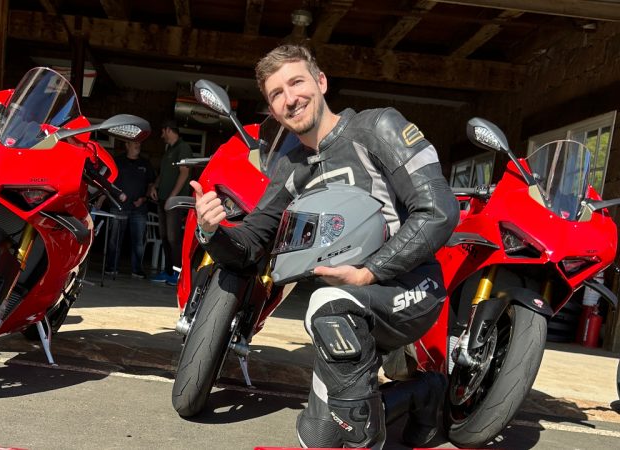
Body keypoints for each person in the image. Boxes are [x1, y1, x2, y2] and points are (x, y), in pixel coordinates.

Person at [190, 45, 459, 449]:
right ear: (272, 109)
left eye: (296, 82)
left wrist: (368, 273)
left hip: (412, 289)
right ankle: (424, 392)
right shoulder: (290, 166)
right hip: (345, 307)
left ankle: (365, 442)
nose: (290, 98)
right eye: (276, 94)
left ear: (321, 82)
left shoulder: (377, 128)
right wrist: (212, 231)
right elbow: (251, 247)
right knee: (316, 437)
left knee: (328, 305)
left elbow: (439, 210)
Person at [149, 119, 192, 286]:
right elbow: (163, 173)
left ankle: (177, 273)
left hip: (174, 202)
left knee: (174, 238)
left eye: (162, 131)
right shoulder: (169, 149)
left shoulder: (183, 147)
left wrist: (172, 197)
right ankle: (168, 272)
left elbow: (184, 173)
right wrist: (155, 186)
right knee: (165, 237)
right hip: (163, 200)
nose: (161, 135)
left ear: (168, 130)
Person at [104, 139, 156, 279]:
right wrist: (103, 199)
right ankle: (111, 267)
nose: (138, 145)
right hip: (118, 207)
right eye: (134, 143)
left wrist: (144, 198)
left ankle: (137, 270)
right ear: (127, 145)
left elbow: (151, 184)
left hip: (139, 208)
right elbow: (108, 182)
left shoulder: (145, 163)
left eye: (139, 143)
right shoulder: (117, 161)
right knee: (115, 240)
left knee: (138, 242)